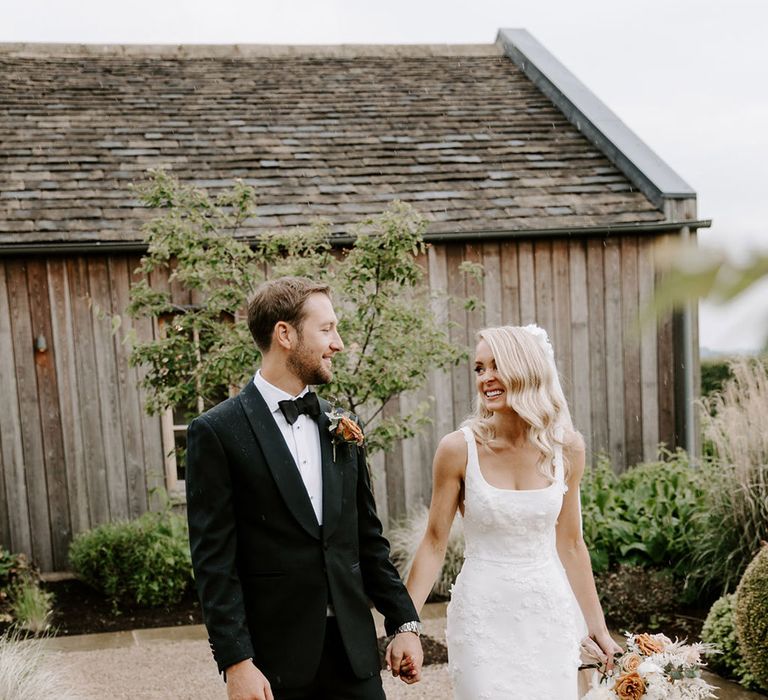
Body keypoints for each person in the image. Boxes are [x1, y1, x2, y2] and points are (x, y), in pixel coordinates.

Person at [186, 276, 423, 700]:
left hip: (354, 656)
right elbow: (214, 565)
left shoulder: (341, 424)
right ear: (285, 334)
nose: (340, 343)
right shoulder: (217, 432)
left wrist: (403, 623)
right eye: (327, 329)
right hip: (275, 664)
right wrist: (237, 662)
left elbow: (367, 538)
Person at [404, 324, 622, 699]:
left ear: (525, 369)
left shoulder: (567, 449)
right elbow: (434, 543)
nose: (486, 378)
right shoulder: (457, 449)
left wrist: (597, 627)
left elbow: (571, 544)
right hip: (481, 617)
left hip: (548, 615)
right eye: (479, 368)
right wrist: (406, 625)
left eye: (496, 366)